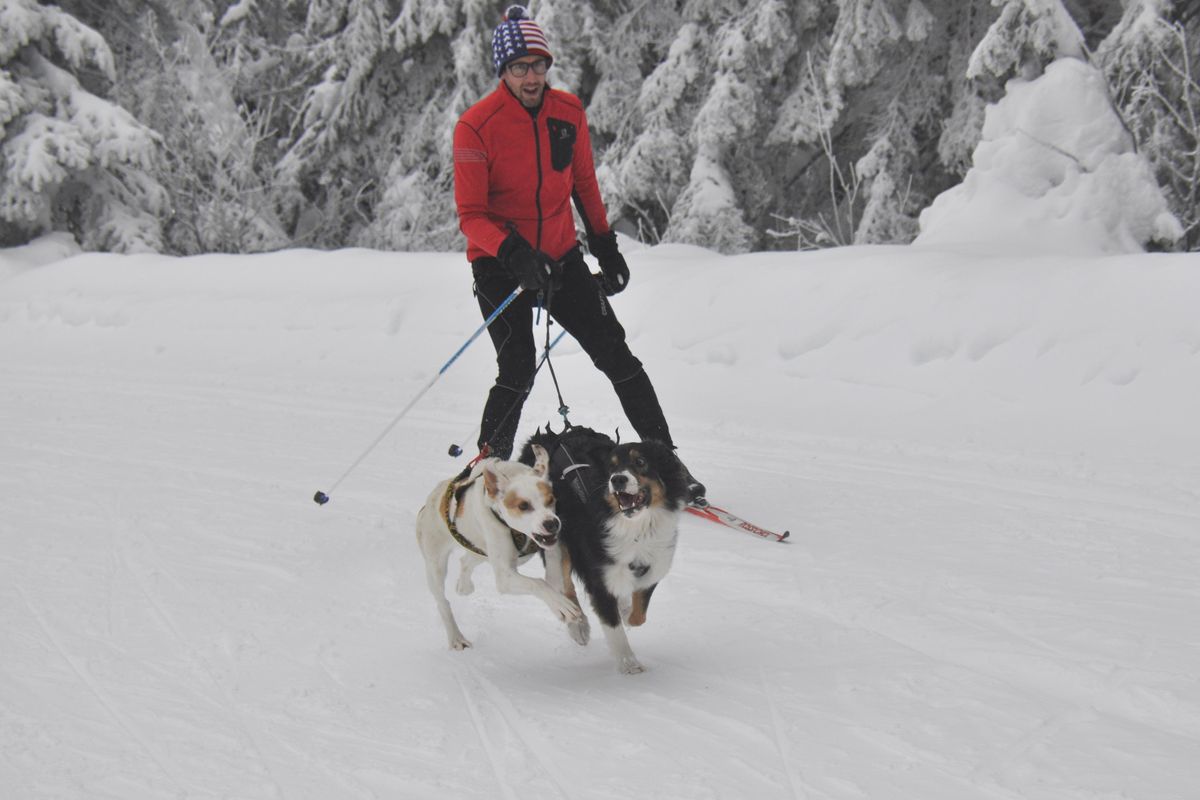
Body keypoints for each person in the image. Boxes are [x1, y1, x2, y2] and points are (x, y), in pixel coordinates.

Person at [452, 5, 704, 503]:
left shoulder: (567, 113)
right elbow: (471, 216)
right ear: (503, 71)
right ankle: (491, 468)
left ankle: (666, 461)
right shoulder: (475, 127)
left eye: (539, 65)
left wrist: (605, 245)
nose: (531, 76)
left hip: (562, 258)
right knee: (518, 366)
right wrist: (514, 253)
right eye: (520, 67)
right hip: (499, 263)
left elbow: (584, 183)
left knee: (617, 355)